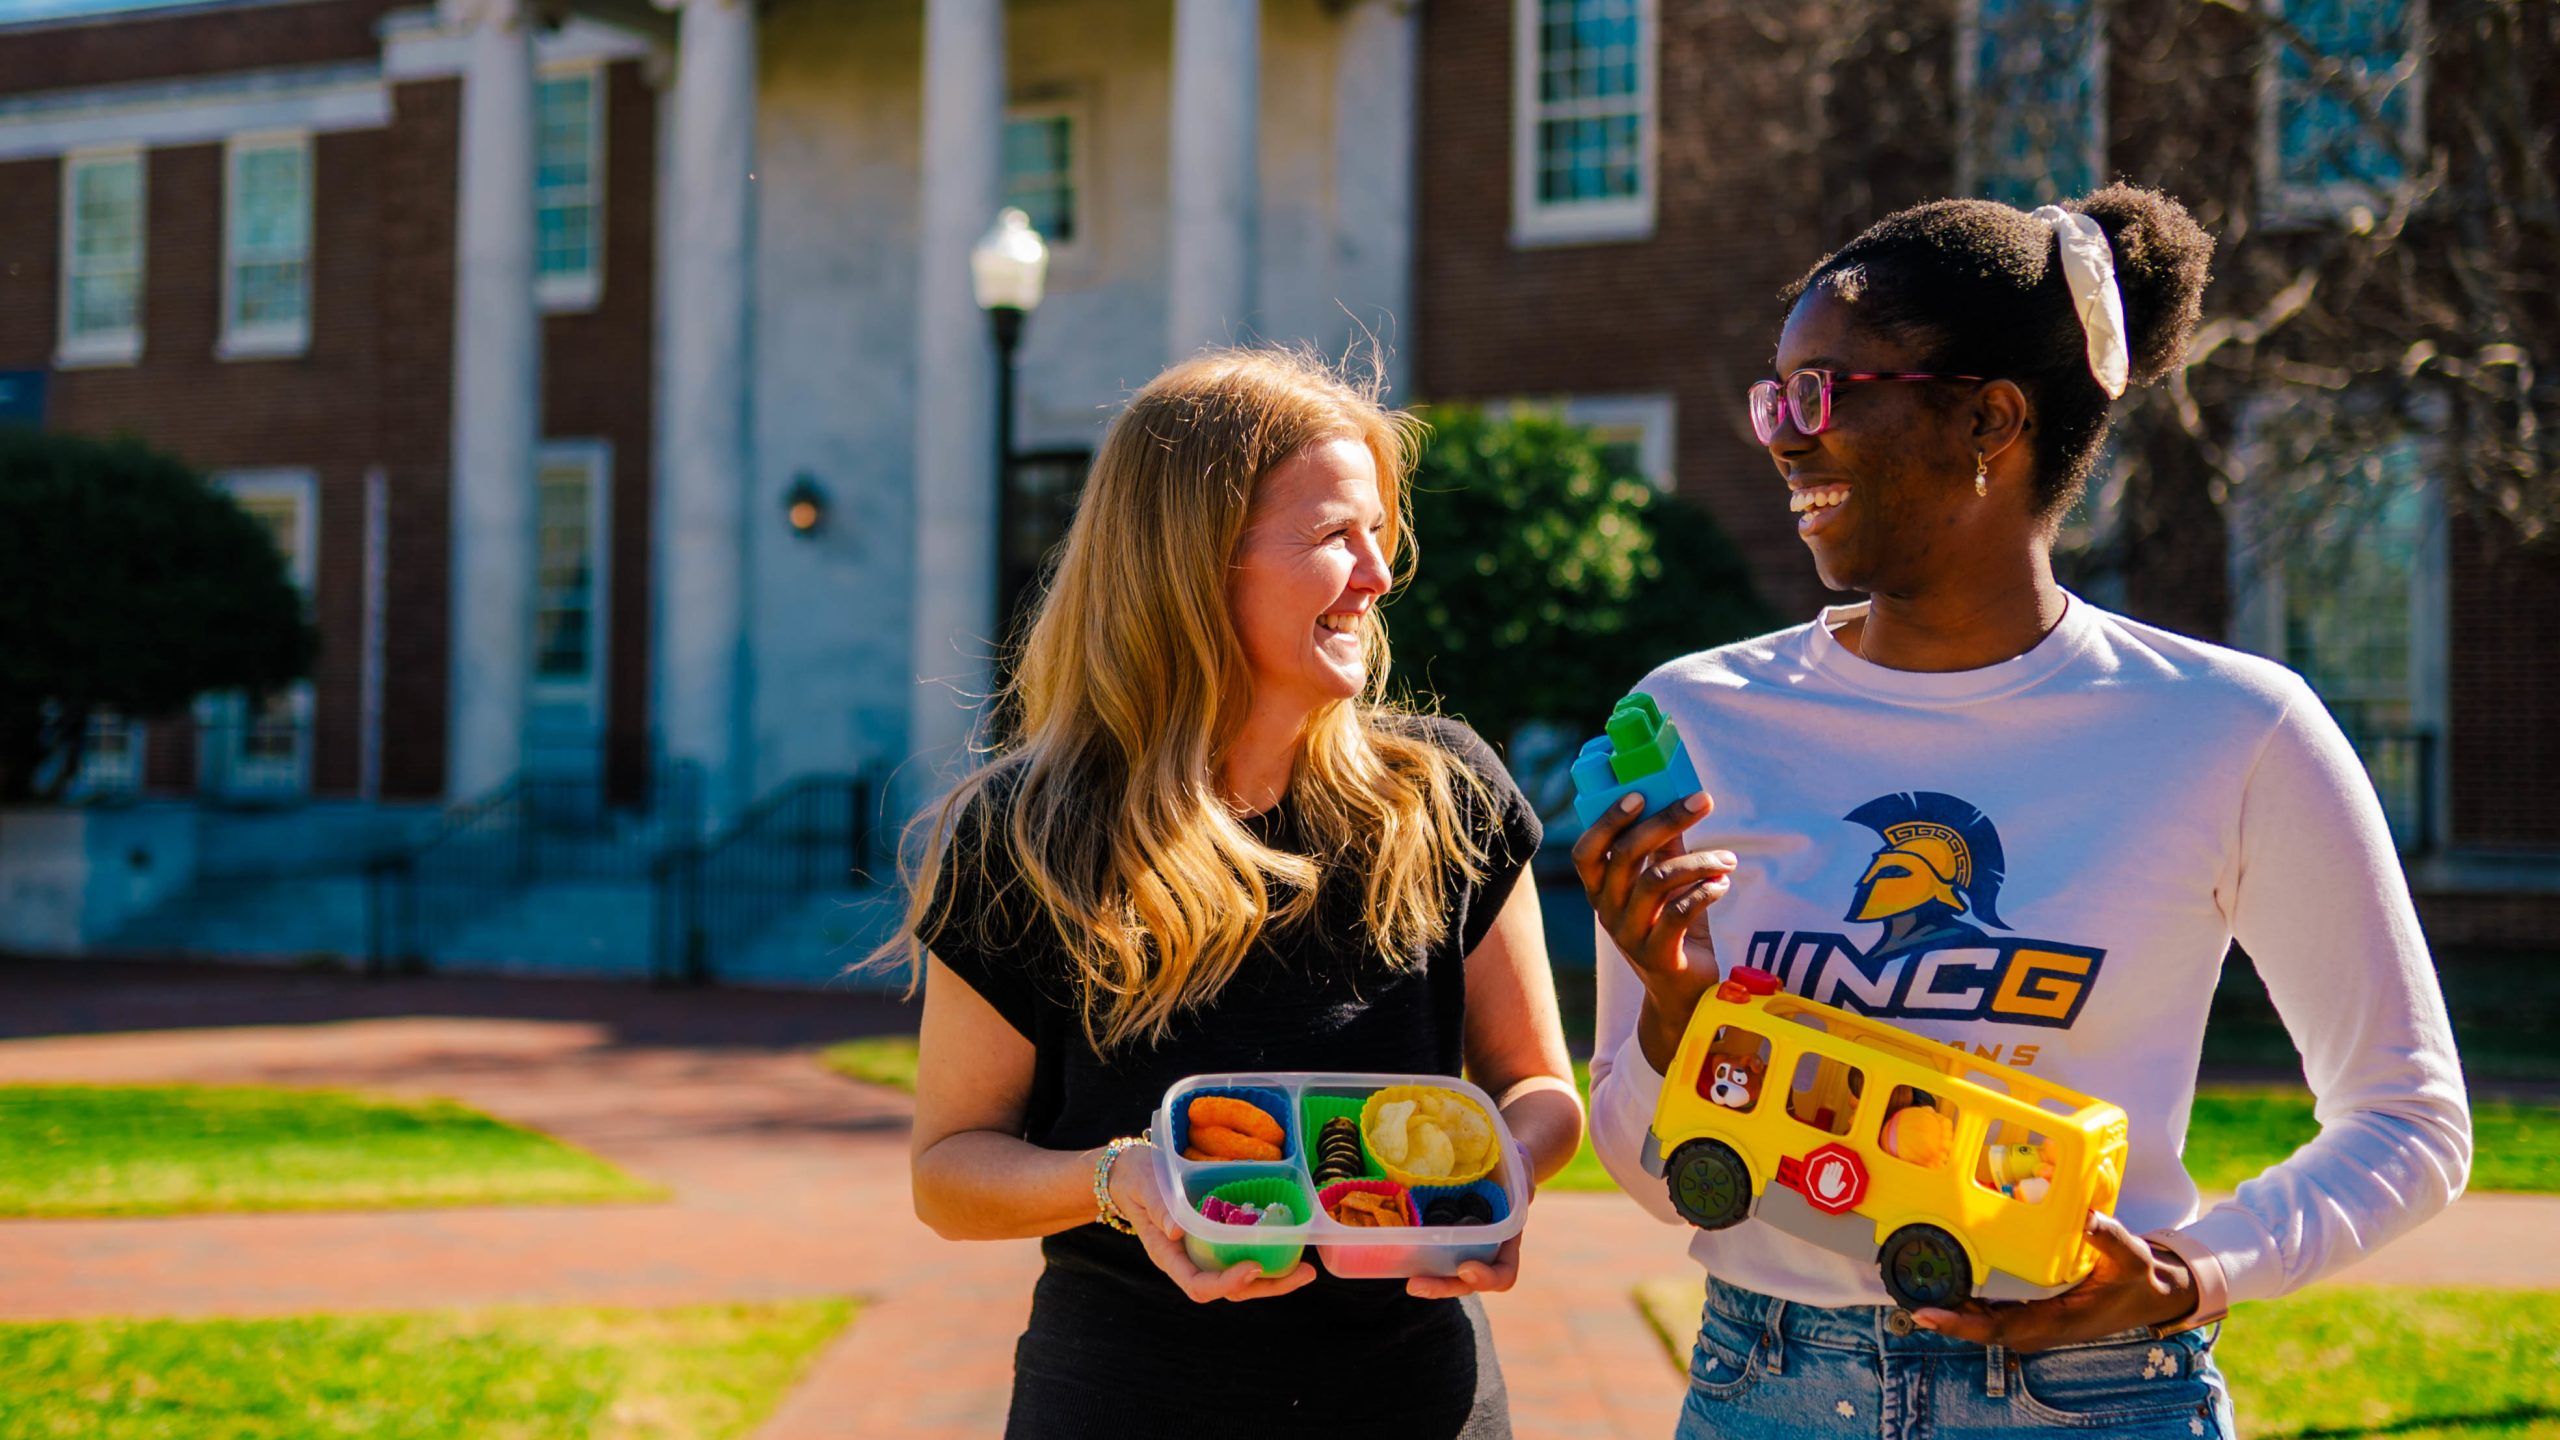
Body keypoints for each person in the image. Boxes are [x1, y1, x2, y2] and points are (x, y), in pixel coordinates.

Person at [1580, 185, 2471, 1439]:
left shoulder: (2229, 730)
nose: (1784, 437)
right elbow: (1664, 1187)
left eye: (1823, 393)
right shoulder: (1696, 722)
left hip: (2098, 1399)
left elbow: (2409, 1120)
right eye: (1774, 398)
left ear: (1989, 418)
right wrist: (1679, 1026)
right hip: (1766, 1387)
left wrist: (2192, 1271)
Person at [895, 348, 1586, 1439]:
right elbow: (949, 1172)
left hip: (1418, 1408)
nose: (1378, 573)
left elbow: (1540, 1085)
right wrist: (1128, 1181)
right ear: (1193, 566)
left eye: (1379, 532)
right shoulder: (1024, 835)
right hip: (1123, 1405)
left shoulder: (1449, 796)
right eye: (1332, 538)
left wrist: (1497, 1182)